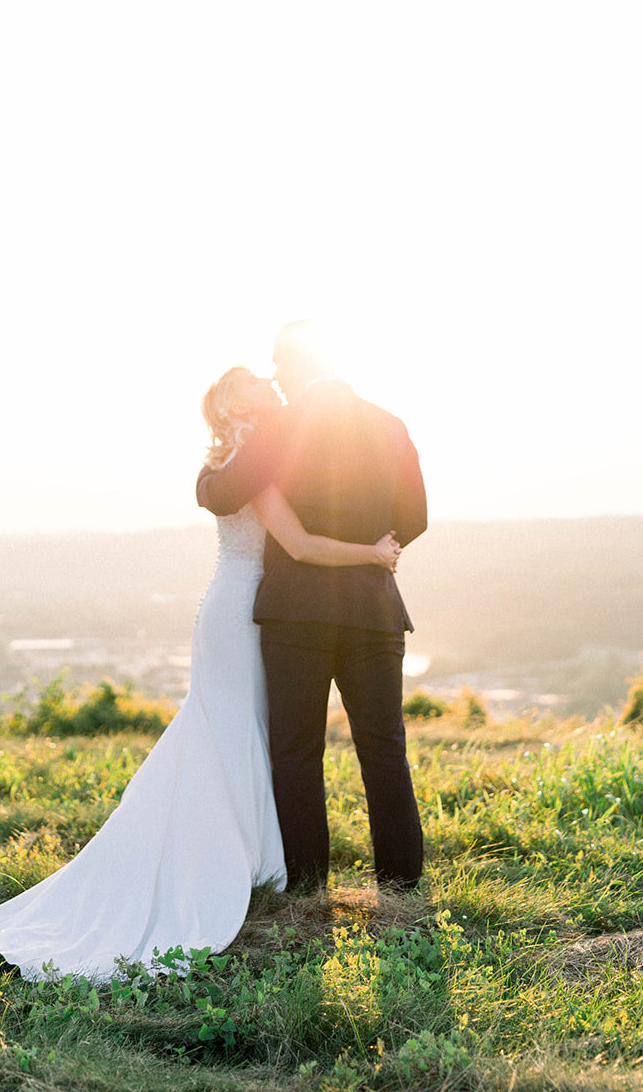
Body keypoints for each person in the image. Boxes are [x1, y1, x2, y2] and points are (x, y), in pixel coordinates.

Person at [0, 365, 400, 982]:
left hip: (247, 610)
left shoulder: (246, 461)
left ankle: (262, 862)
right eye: (259, 386)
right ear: (240, 409)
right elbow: (302, 544)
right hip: (242, 617)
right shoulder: (253, 469)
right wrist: (373, 553)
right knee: (242, 732)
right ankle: (240, 864)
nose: (272, 387)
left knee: (252, 735)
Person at [196, 321, 427, 893]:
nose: (274, 374)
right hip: (374, 611)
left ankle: (307, 886)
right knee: (384, 749)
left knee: (297, 751)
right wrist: (378, 551)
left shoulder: (280, 428)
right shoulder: (389, 424)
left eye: (278, 362)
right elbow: (417, 518)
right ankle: (399, 886)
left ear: (296, 365)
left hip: (296, 616)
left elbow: (224, 495)